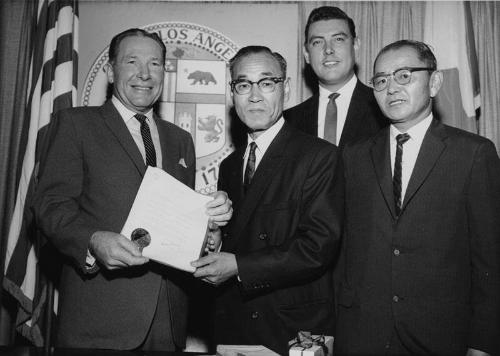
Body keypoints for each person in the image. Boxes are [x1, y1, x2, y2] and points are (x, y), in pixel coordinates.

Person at [33, 28, 232, 351]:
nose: (144, 74)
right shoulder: (75, 124)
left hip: (168, 323)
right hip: (100, 323)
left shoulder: (179, 139)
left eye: (154, 64)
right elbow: (49, 205)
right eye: (132, 62)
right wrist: (93, 241)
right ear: (111, 71)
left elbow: (178, 222)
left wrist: (209, 230)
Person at [335, 39, 500, 355]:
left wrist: (482, 344)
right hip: (362, 336)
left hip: (441, 338)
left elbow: (489, 262)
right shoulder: (354, 157)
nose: (391, 88)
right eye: (381, 80)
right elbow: (341, 253)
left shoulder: (473, 154)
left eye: (404, 75)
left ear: (434, 82)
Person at [190, 46, 344, 355]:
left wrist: (238, 266)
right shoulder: (230, 166)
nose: (255, 96)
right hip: (235, 324)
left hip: (292, 328)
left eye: (267, 83)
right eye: (244, 85)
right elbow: (237, 238)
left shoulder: (318, 156)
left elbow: (318, 247)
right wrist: (215, 239)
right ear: (232, 94)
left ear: (285, 89)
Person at [284, 6, 387, 149]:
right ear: (306, 53)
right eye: (317, 42)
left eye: (338, 39)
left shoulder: (385, 109)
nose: (328, 50)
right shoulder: (289, 121)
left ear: (356, 45)